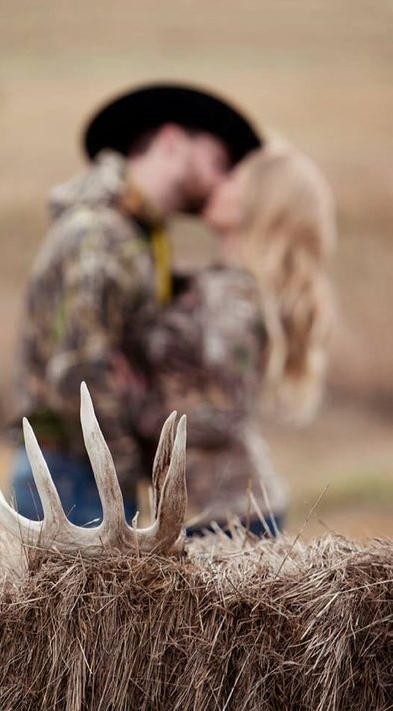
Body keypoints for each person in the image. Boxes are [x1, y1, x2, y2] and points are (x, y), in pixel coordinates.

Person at [9, 83, 262, 525]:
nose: (224, 180)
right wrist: (126, 475)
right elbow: (79, 373)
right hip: (76, 473)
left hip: (83, 472)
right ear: (171, 141)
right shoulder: (102, 235)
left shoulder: (136, 238)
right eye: (219, 162)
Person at [135, 142, 337, 536]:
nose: (218, 185)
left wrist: (132, 415)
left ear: (257, 205)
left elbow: (224, 412)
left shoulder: (237, 297)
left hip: (227, 518)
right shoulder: (227, 284)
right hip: (217, 510)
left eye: (233, 180)